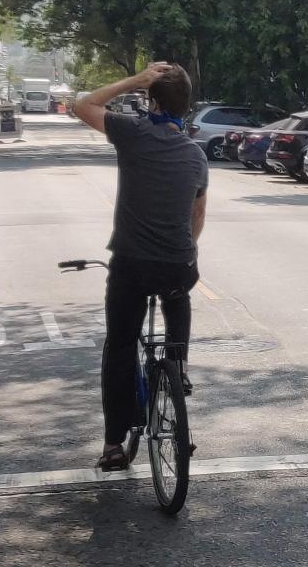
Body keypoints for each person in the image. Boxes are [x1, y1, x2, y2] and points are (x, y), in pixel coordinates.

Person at [74, 62, 209, 471]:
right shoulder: (195, 155)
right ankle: (179, 365)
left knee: (119, 346)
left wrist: (135, 79)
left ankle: (114, 444)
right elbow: (197, 216)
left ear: (150, 100)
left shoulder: (133, 134)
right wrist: (183, 250)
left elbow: (82, 105)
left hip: (131, 264)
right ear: (186, 107)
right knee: (180, 288)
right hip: (176, 263)